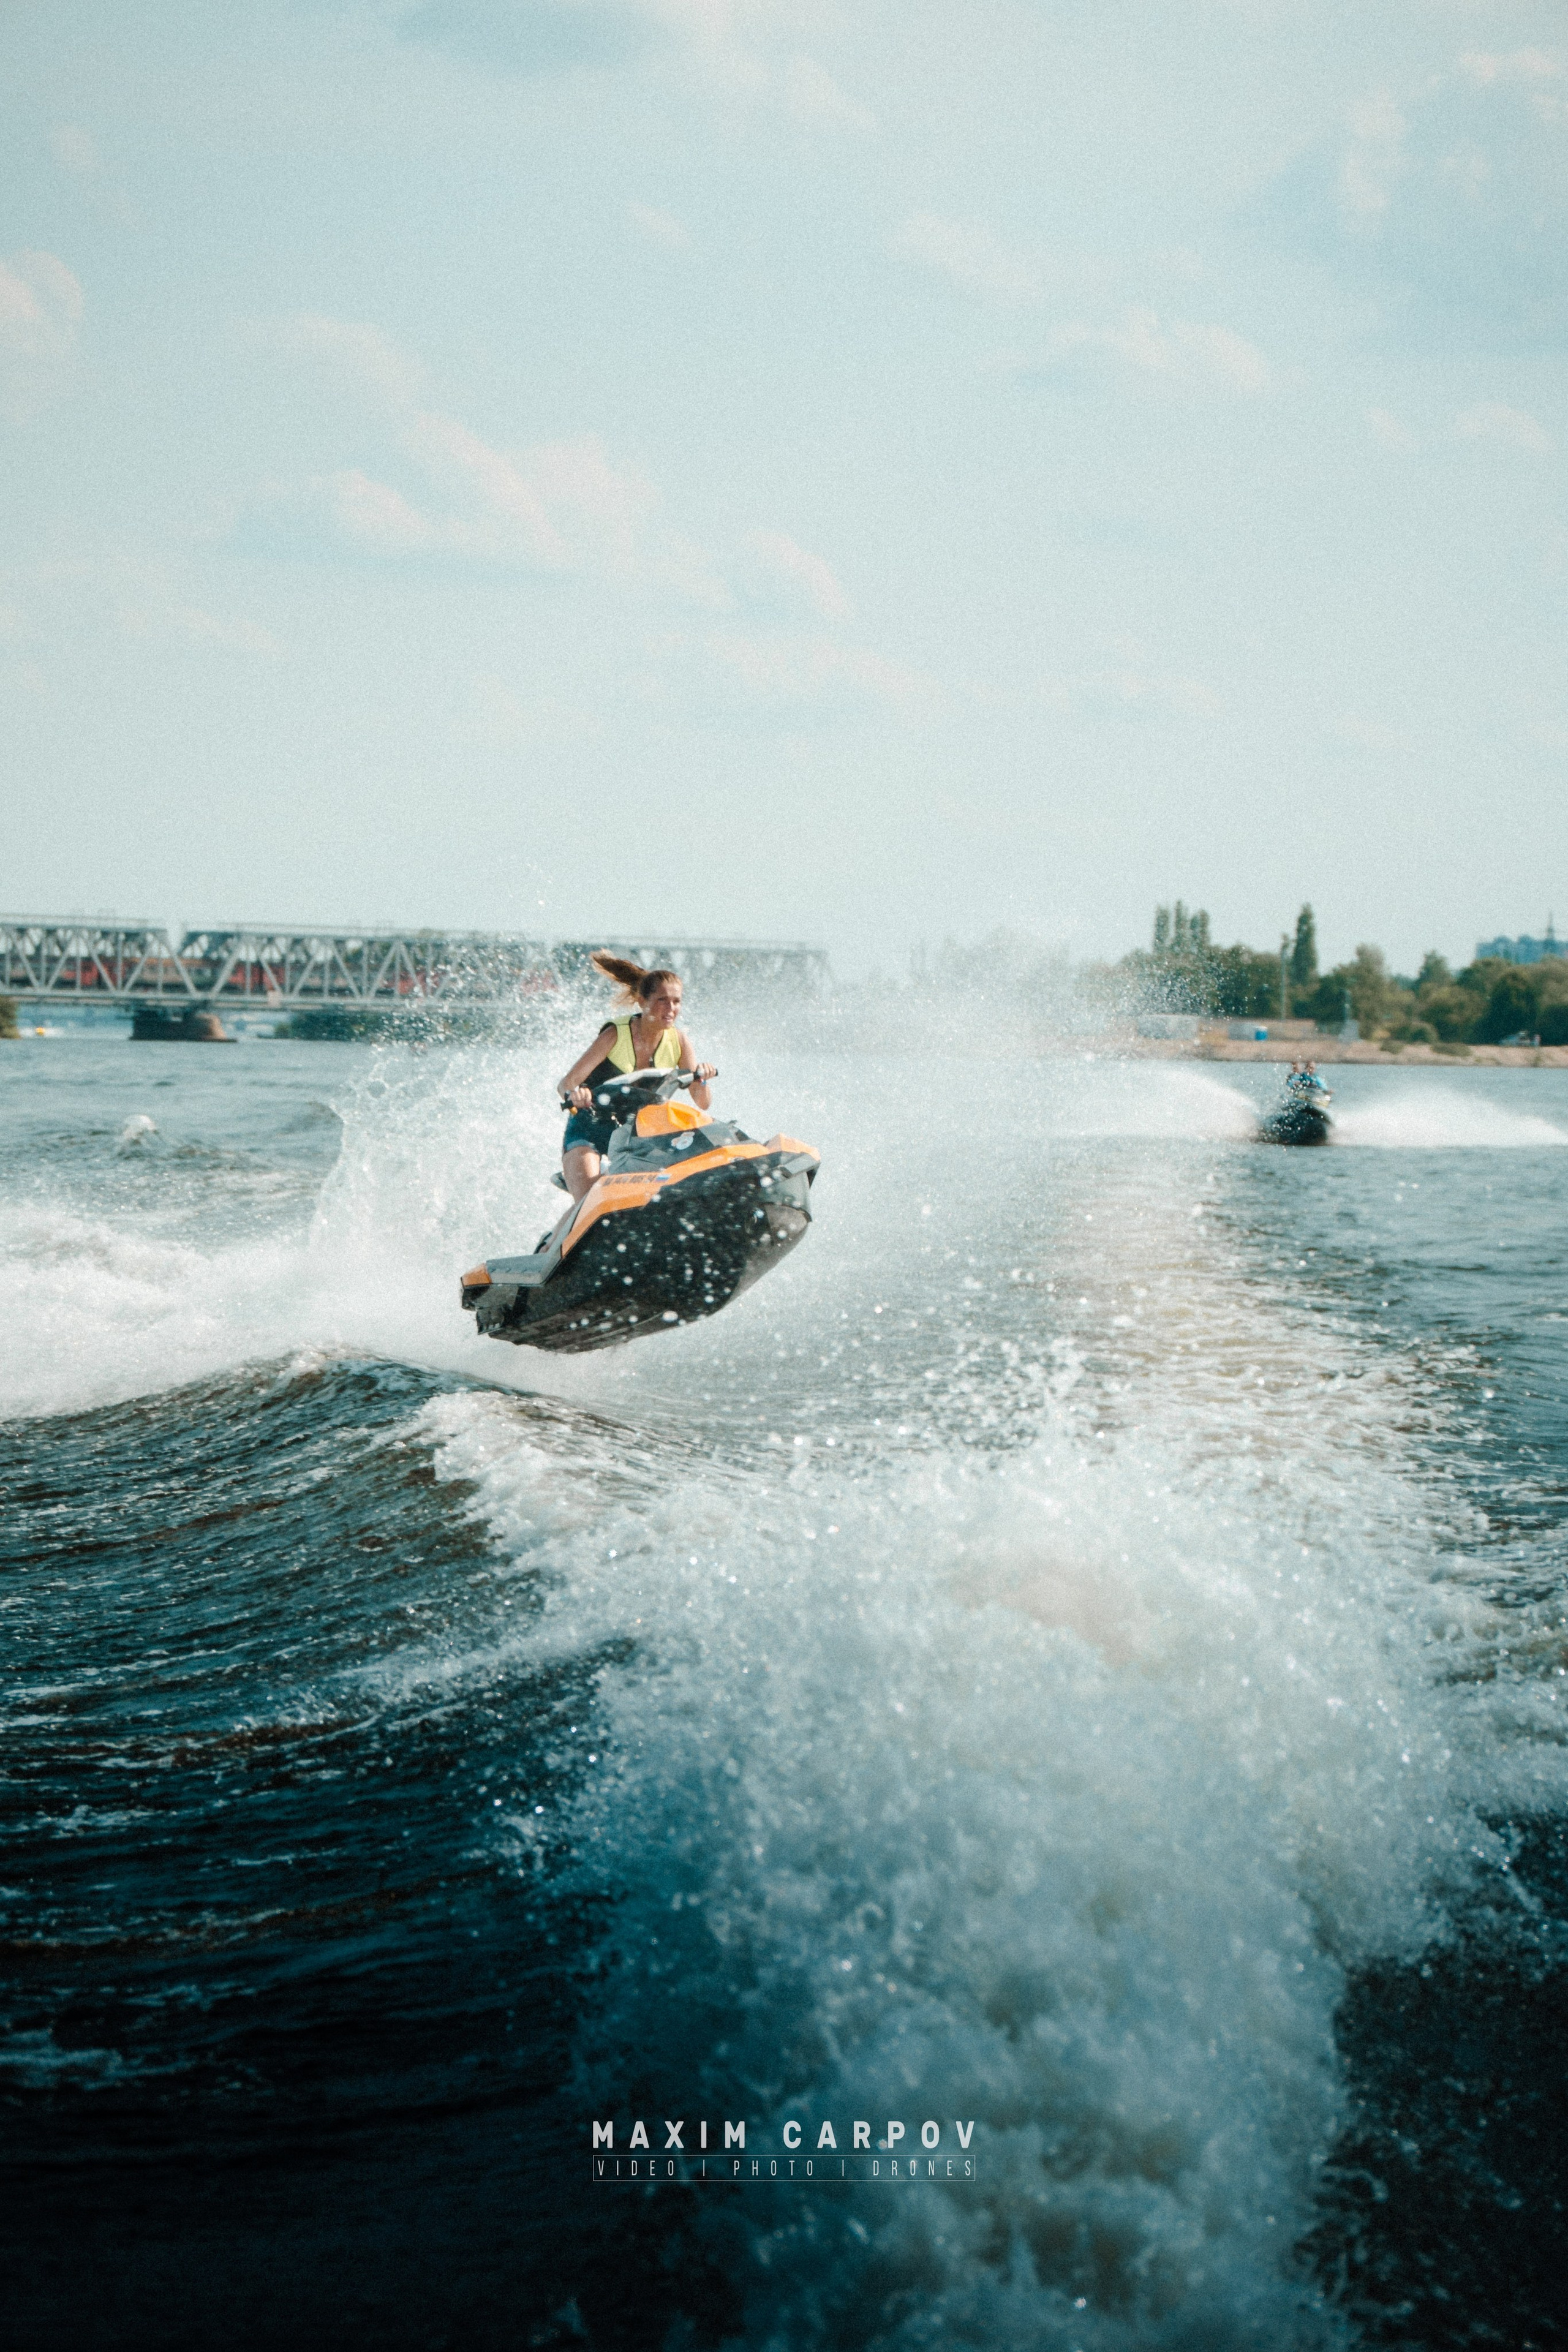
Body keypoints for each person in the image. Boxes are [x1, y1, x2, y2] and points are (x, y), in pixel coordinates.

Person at [555, 954, 717, 1200]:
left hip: (638, 1134)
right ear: (642, 1001)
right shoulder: (615, 1035)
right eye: (663, 1000)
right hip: (591, 1127)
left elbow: (702, 1102)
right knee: (588, 1201)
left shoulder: (680, 1041)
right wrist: (575, 1094)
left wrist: (701, 1079)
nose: (671, 1009)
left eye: (676, 1002)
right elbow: (566, 1084)